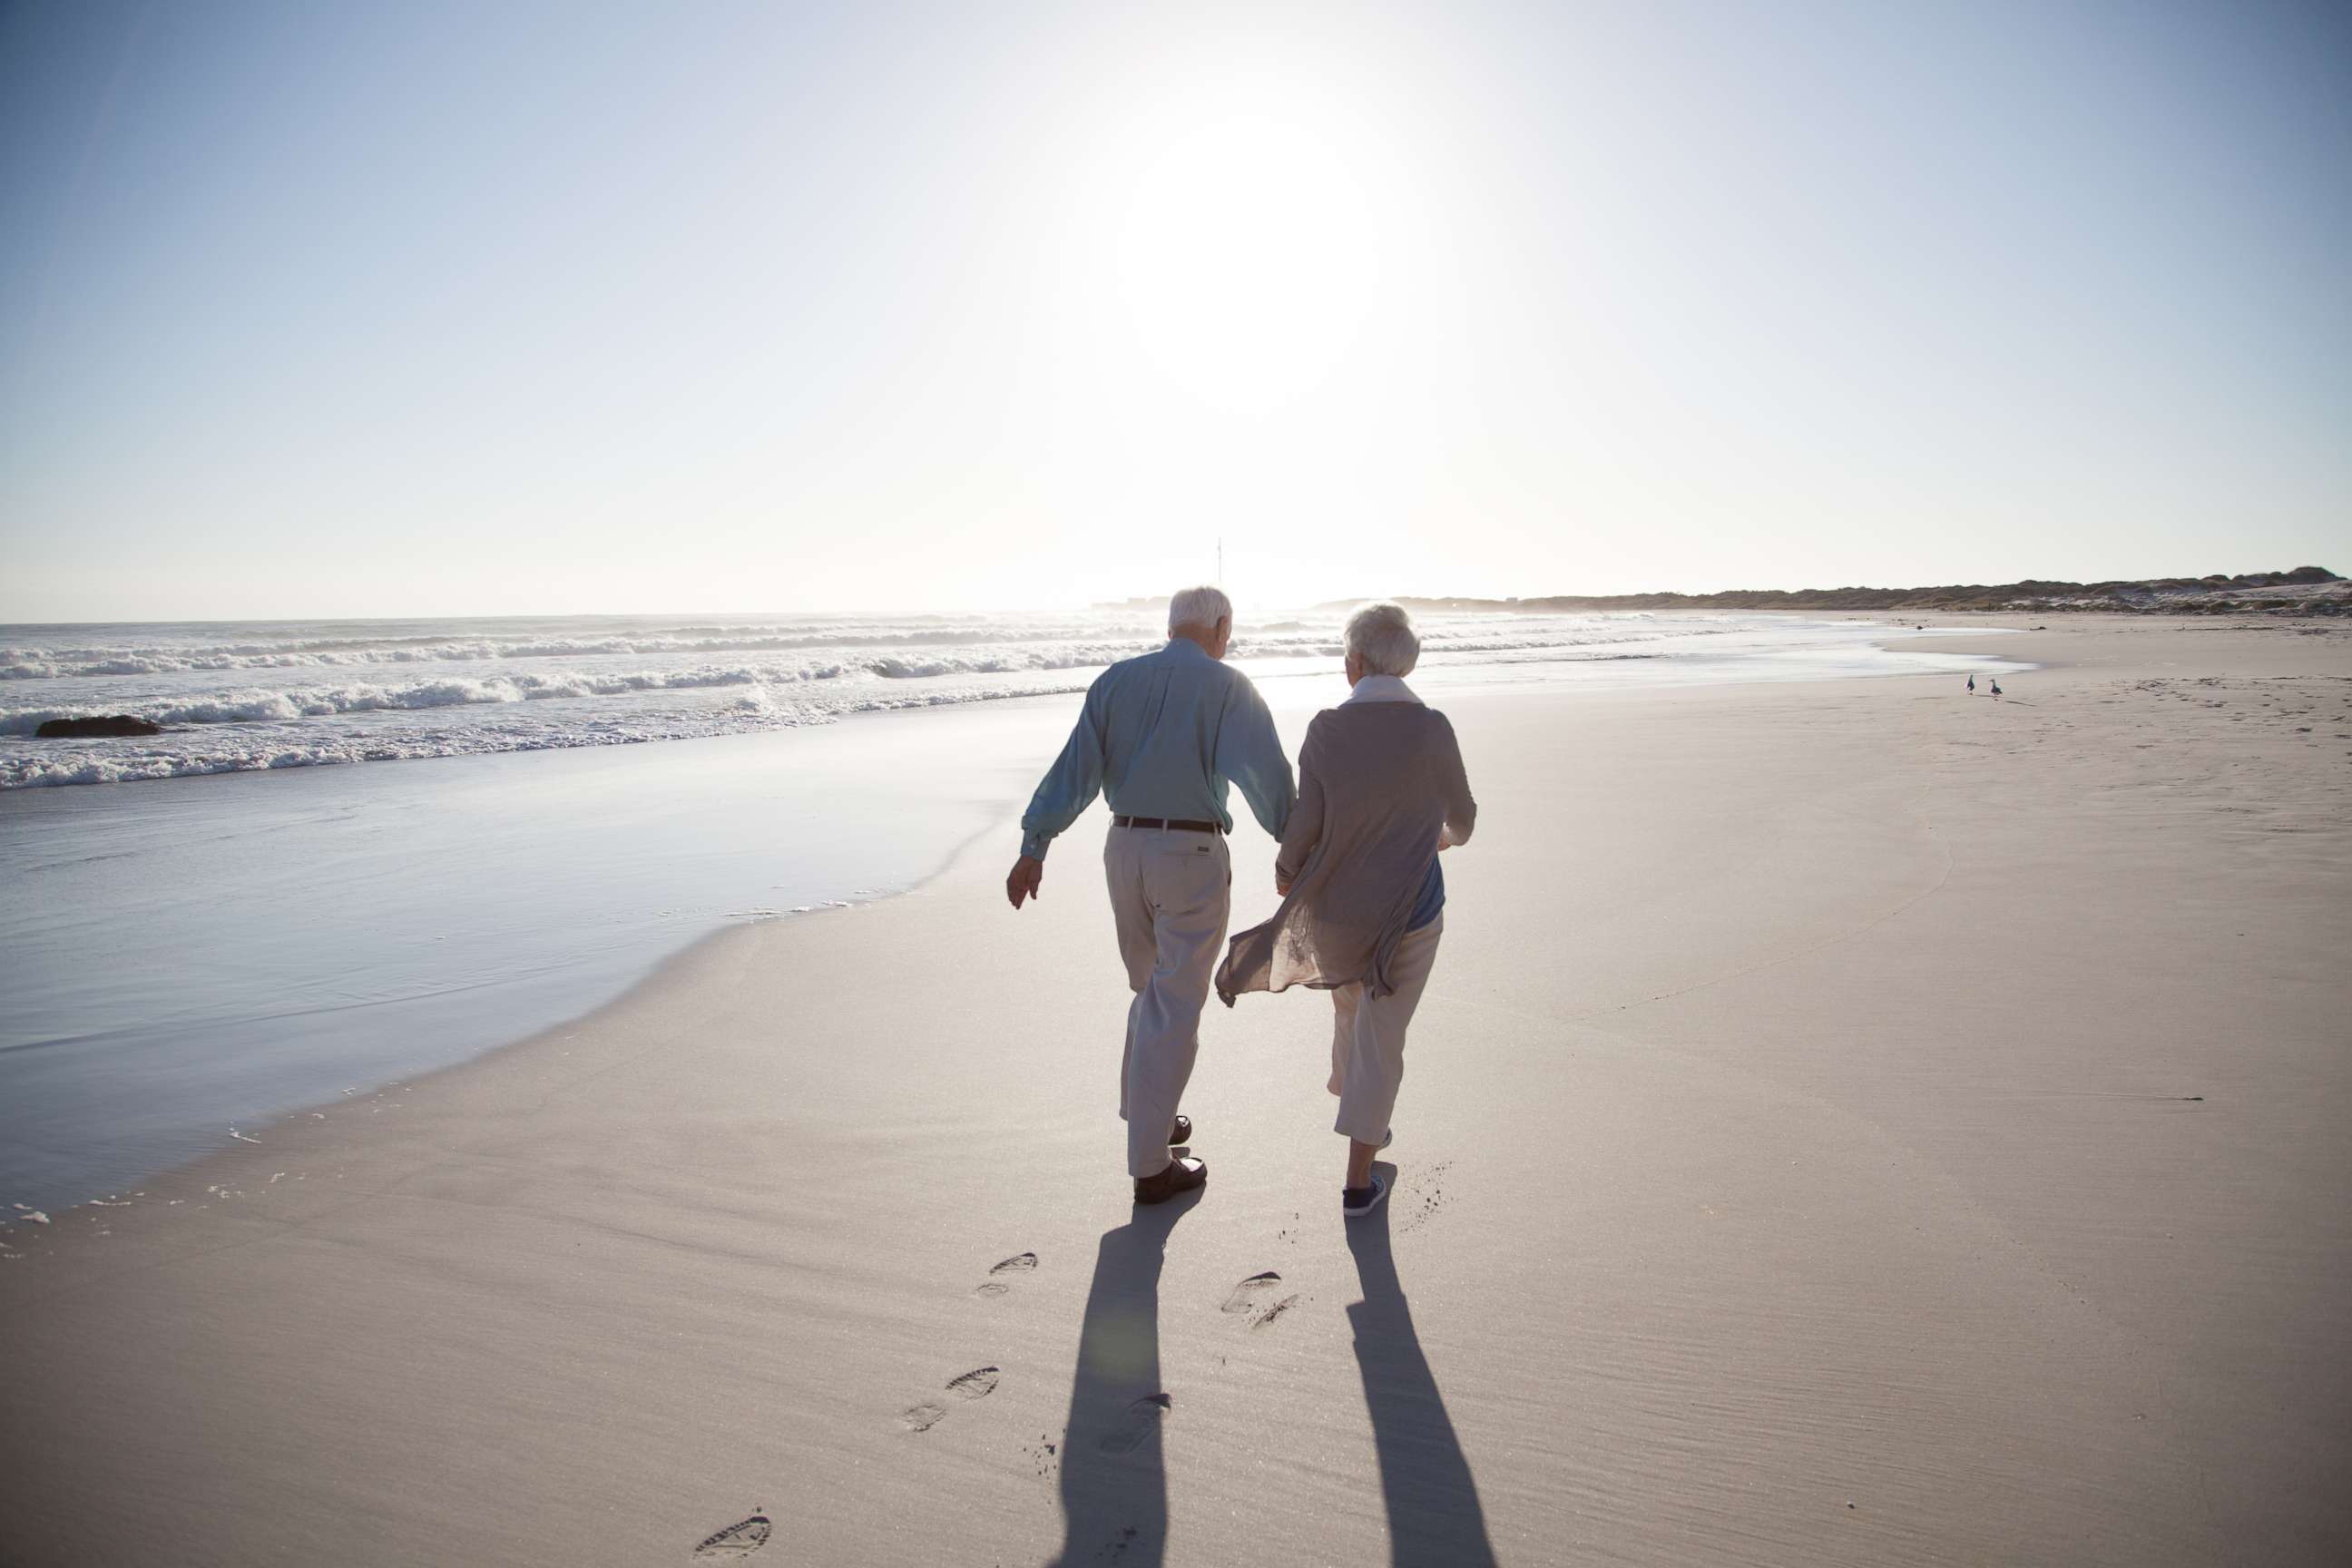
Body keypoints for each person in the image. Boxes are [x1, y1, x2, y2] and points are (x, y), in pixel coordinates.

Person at [1007, 586, 1295, 1205]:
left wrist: (1036, 845)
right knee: (1174, 1002)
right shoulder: (1227, 685)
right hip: (1190, 855)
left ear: (1172, 628)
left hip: (1123, 851)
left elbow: (1075, 770)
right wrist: (1294, 848)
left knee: (1151, 991)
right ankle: (1150, 1165)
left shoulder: (1116, 681)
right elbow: (1267, 778)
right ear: (1219, 628)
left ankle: (1152, 1117)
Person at [1215, 603, 1476, 1218]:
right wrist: (1439, 839)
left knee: (1353, 1015)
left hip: (1337, 909)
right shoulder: (1433, 728)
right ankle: (1359, 1181)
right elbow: (1462, 820)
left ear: (1356, 662)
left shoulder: (1328, 729)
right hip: (1410, 913)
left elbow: (1306, 823)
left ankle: (1362, 1107)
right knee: (1380, 1038)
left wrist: (1286, 875)